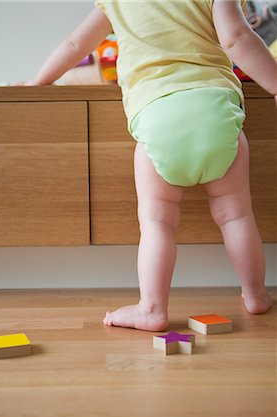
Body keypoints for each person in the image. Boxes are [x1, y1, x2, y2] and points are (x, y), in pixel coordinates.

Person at [14, 1, 277, 331]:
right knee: (236, 214)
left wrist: (38, 82)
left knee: (158, 222)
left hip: (155, 116)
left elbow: (76, 44)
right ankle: (254, 295)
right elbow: (238, 37)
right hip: (215, 109)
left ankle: (152, 308)